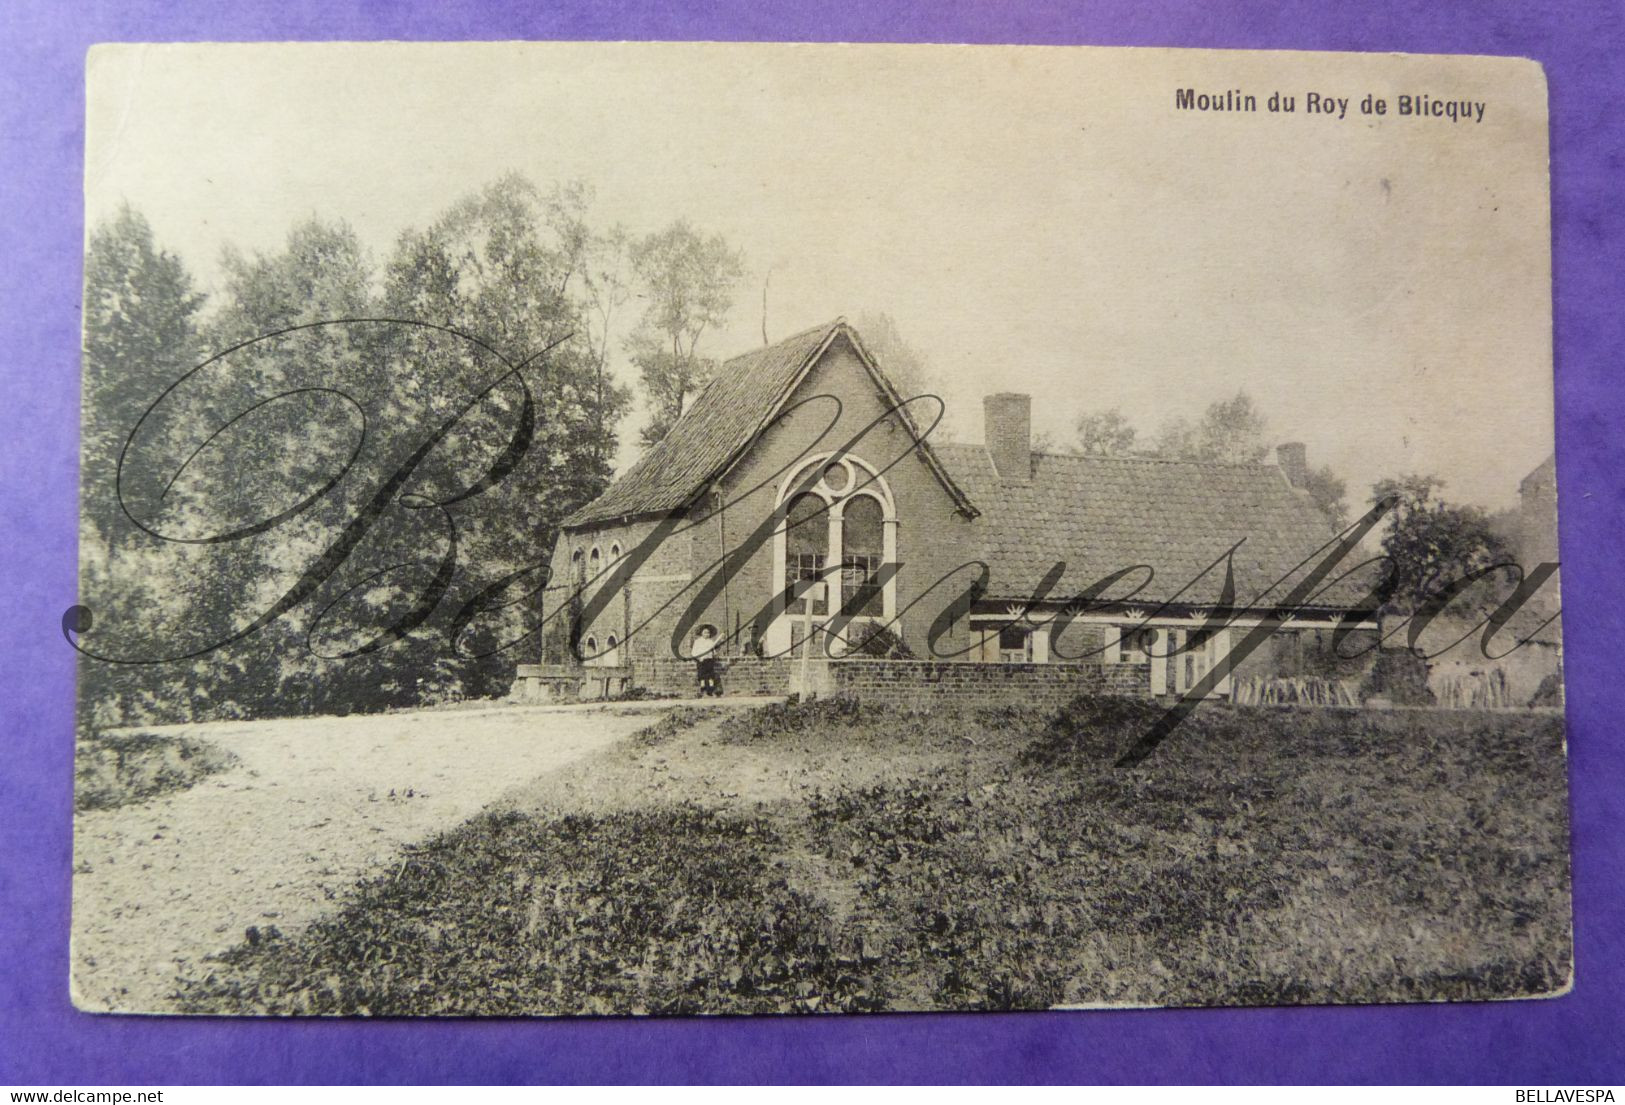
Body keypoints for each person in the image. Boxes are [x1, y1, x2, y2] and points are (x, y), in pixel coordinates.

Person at [692, 625, 722, 698]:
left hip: (709, 660)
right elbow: (694, 652)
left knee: (710, 675)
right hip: (701, 660)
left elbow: (713, 651)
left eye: (708, 633)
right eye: (705, 632)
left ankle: (710, 691)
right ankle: (703, 690)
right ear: (702, 633)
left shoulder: (710, 641)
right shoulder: (698, 642)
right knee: (702, 675)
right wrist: (699, 658)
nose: (707, 634)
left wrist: (714, 654)